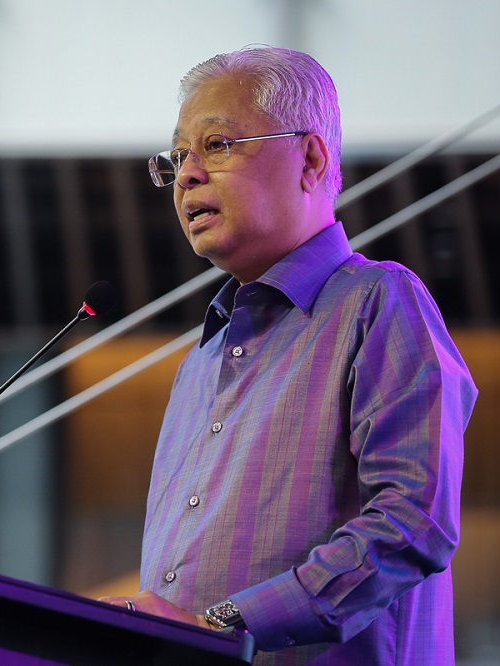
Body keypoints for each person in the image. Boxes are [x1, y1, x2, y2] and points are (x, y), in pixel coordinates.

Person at [98, 46, 478, 665]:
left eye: (216, 145)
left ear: (310, 158)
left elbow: (412, 522)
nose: (187, 174)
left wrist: (221, 625)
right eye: (177, 158)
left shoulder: (380, 302)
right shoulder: (203, 356)